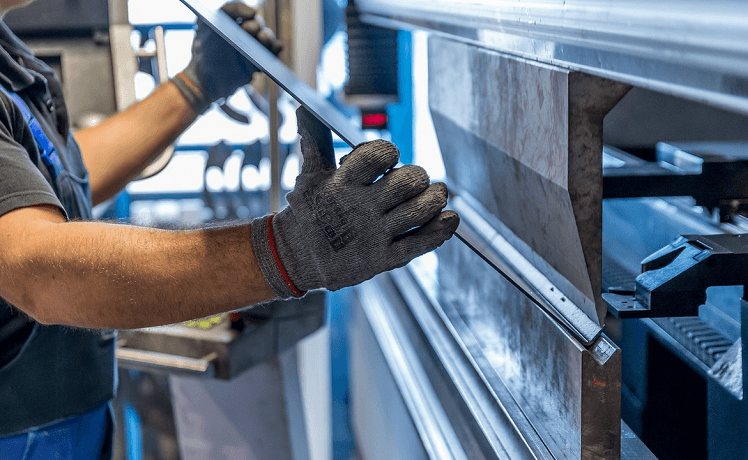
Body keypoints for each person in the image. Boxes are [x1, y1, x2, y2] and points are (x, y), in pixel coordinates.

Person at [0, 0, 459, 457]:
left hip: (65, 423)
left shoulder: (9, 54)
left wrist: (196, 84)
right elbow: (37, 270)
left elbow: (53, 178)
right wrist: (289, 252)